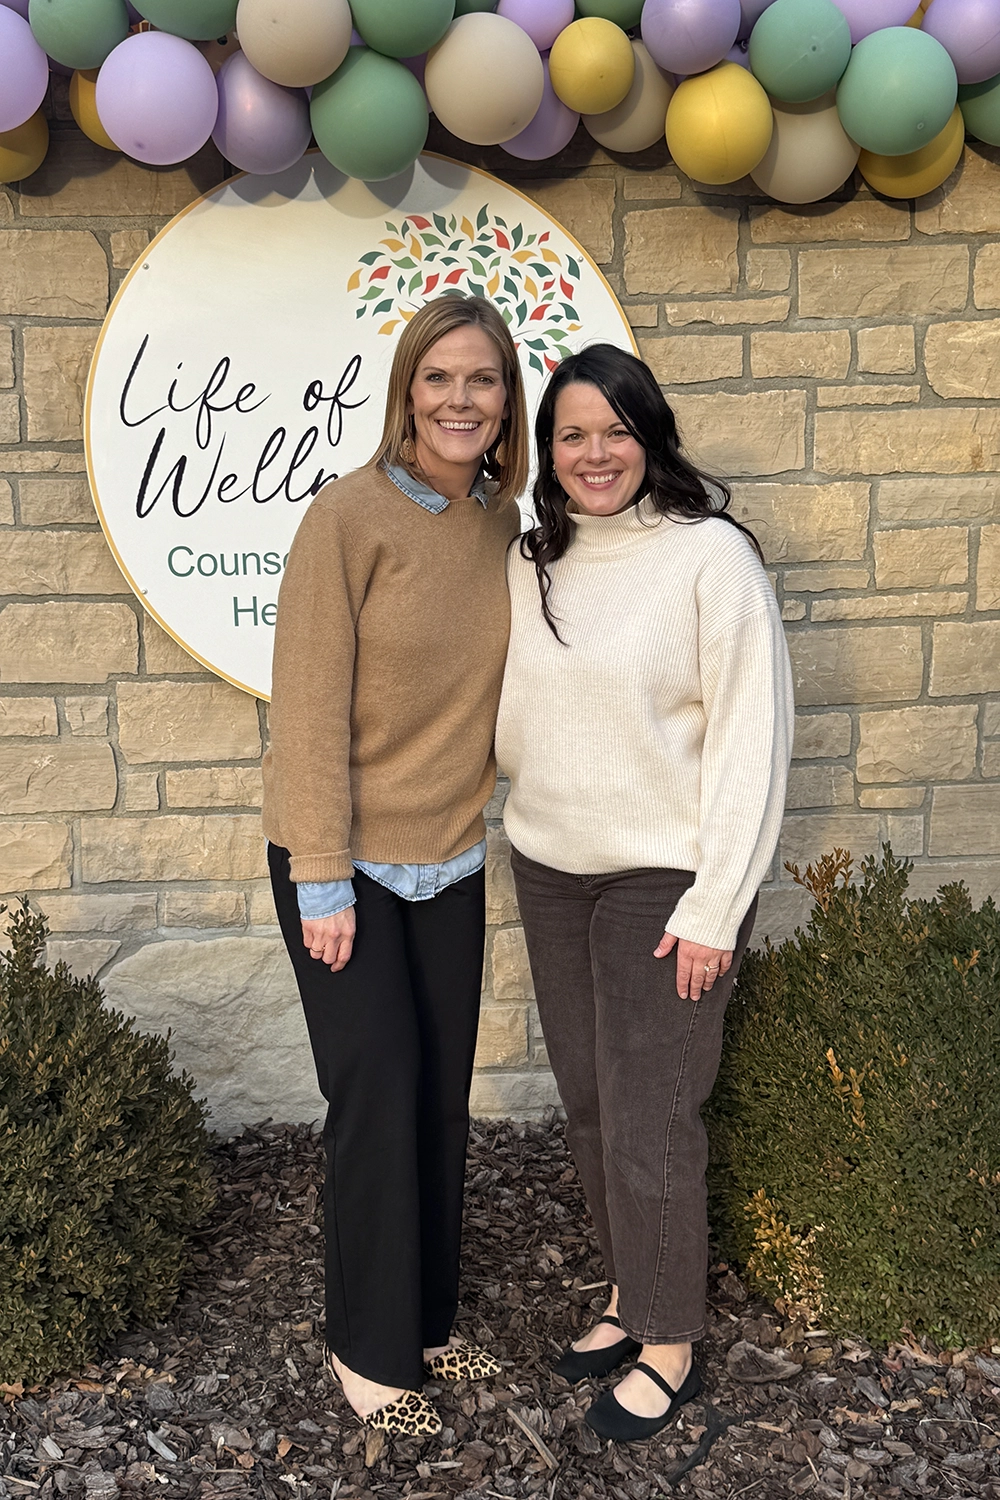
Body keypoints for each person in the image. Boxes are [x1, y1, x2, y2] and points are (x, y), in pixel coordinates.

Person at [496, 344, 794, 1443]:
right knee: (588, 1101)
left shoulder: (708, 559)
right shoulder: (535, 559)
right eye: (571, 435)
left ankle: (668, 1343)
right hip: (549, 864)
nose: (593, 454)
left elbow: (752, 743)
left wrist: (715, 906)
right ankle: (629, 1295)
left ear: (648, 434)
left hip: (663, 877)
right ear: (548, 452)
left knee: (652, 1113)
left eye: (614, 430)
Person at [262, 295, 528, 1436]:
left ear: (505, 399)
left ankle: (423, 1317)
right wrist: (321, 872)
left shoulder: (499, 525)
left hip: (451, 864)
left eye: (482, 381)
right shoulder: (349, 518)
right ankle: (367, 1352)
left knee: (437, 1098)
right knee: (374, 1096)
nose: (460, 400)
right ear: (406, 393)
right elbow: (307, 708)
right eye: (439, 379)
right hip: (345, 866)